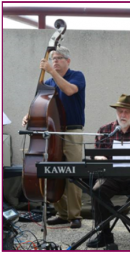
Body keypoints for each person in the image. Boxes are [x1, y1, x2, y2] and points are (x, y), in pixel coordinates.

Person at [22, 46, 85, 229]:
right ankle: (62, 213)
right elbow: (39, 104)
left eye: (59, 58)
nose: (55, 61)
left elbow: (69, 90)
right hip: (53, 133)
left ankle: (75, 215)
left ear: (68, 61)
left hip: (72, 131)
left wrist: (51, 71)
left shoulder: (77, 76)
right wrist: (29, 115)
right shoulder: (48, 82)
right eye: (53, 58)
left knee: (73, 173)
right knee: (53, 172)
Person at [86, 94, 130, 248]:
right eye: (120, 111)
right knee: (97, 190)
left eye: (126, 112)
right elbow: (97, 152)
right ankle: (104, 234)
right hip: (111, 176)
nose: (123, 115)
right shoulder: (105, 130)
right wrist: (99, 158)